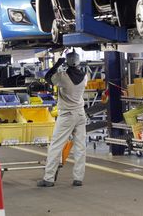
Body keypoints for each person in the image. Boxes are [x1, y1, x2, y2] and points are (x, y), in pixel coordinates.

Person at [37, 50, 88, 187]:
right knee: (80, 147)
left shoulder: (63, 77)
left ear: (67, 62)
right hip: (80, 114)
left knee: (56, 146)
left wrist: (57, 64)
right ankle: (78, 178)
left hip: (67, 116)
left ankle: (48, 178)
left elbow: (47, 77)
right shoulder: (84, 77)